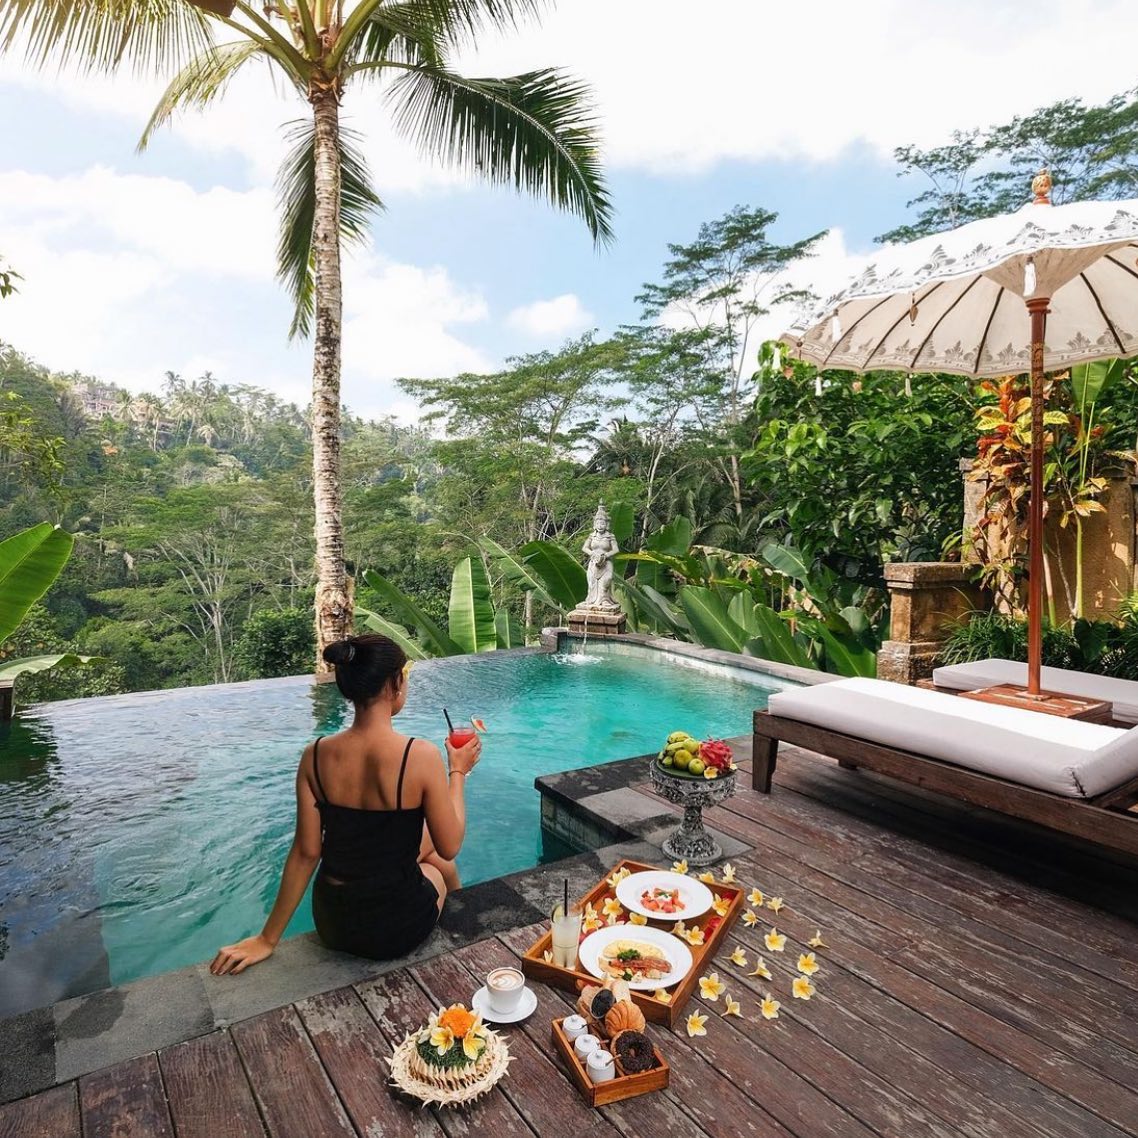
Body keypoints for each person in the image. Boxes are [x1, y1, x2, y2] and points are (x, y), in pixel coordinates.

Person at [209, 633, 480, 975]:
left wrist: (267, 939)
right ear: (395, 684)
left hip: (334, 925)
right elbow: (451, 843)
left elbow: (306, 853)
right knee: (440, 864)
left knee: (427, 851)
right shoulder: (419, 755)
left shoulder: (315, 756)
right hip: (394, 929)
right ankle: (471, 931)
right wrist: (457, 770)